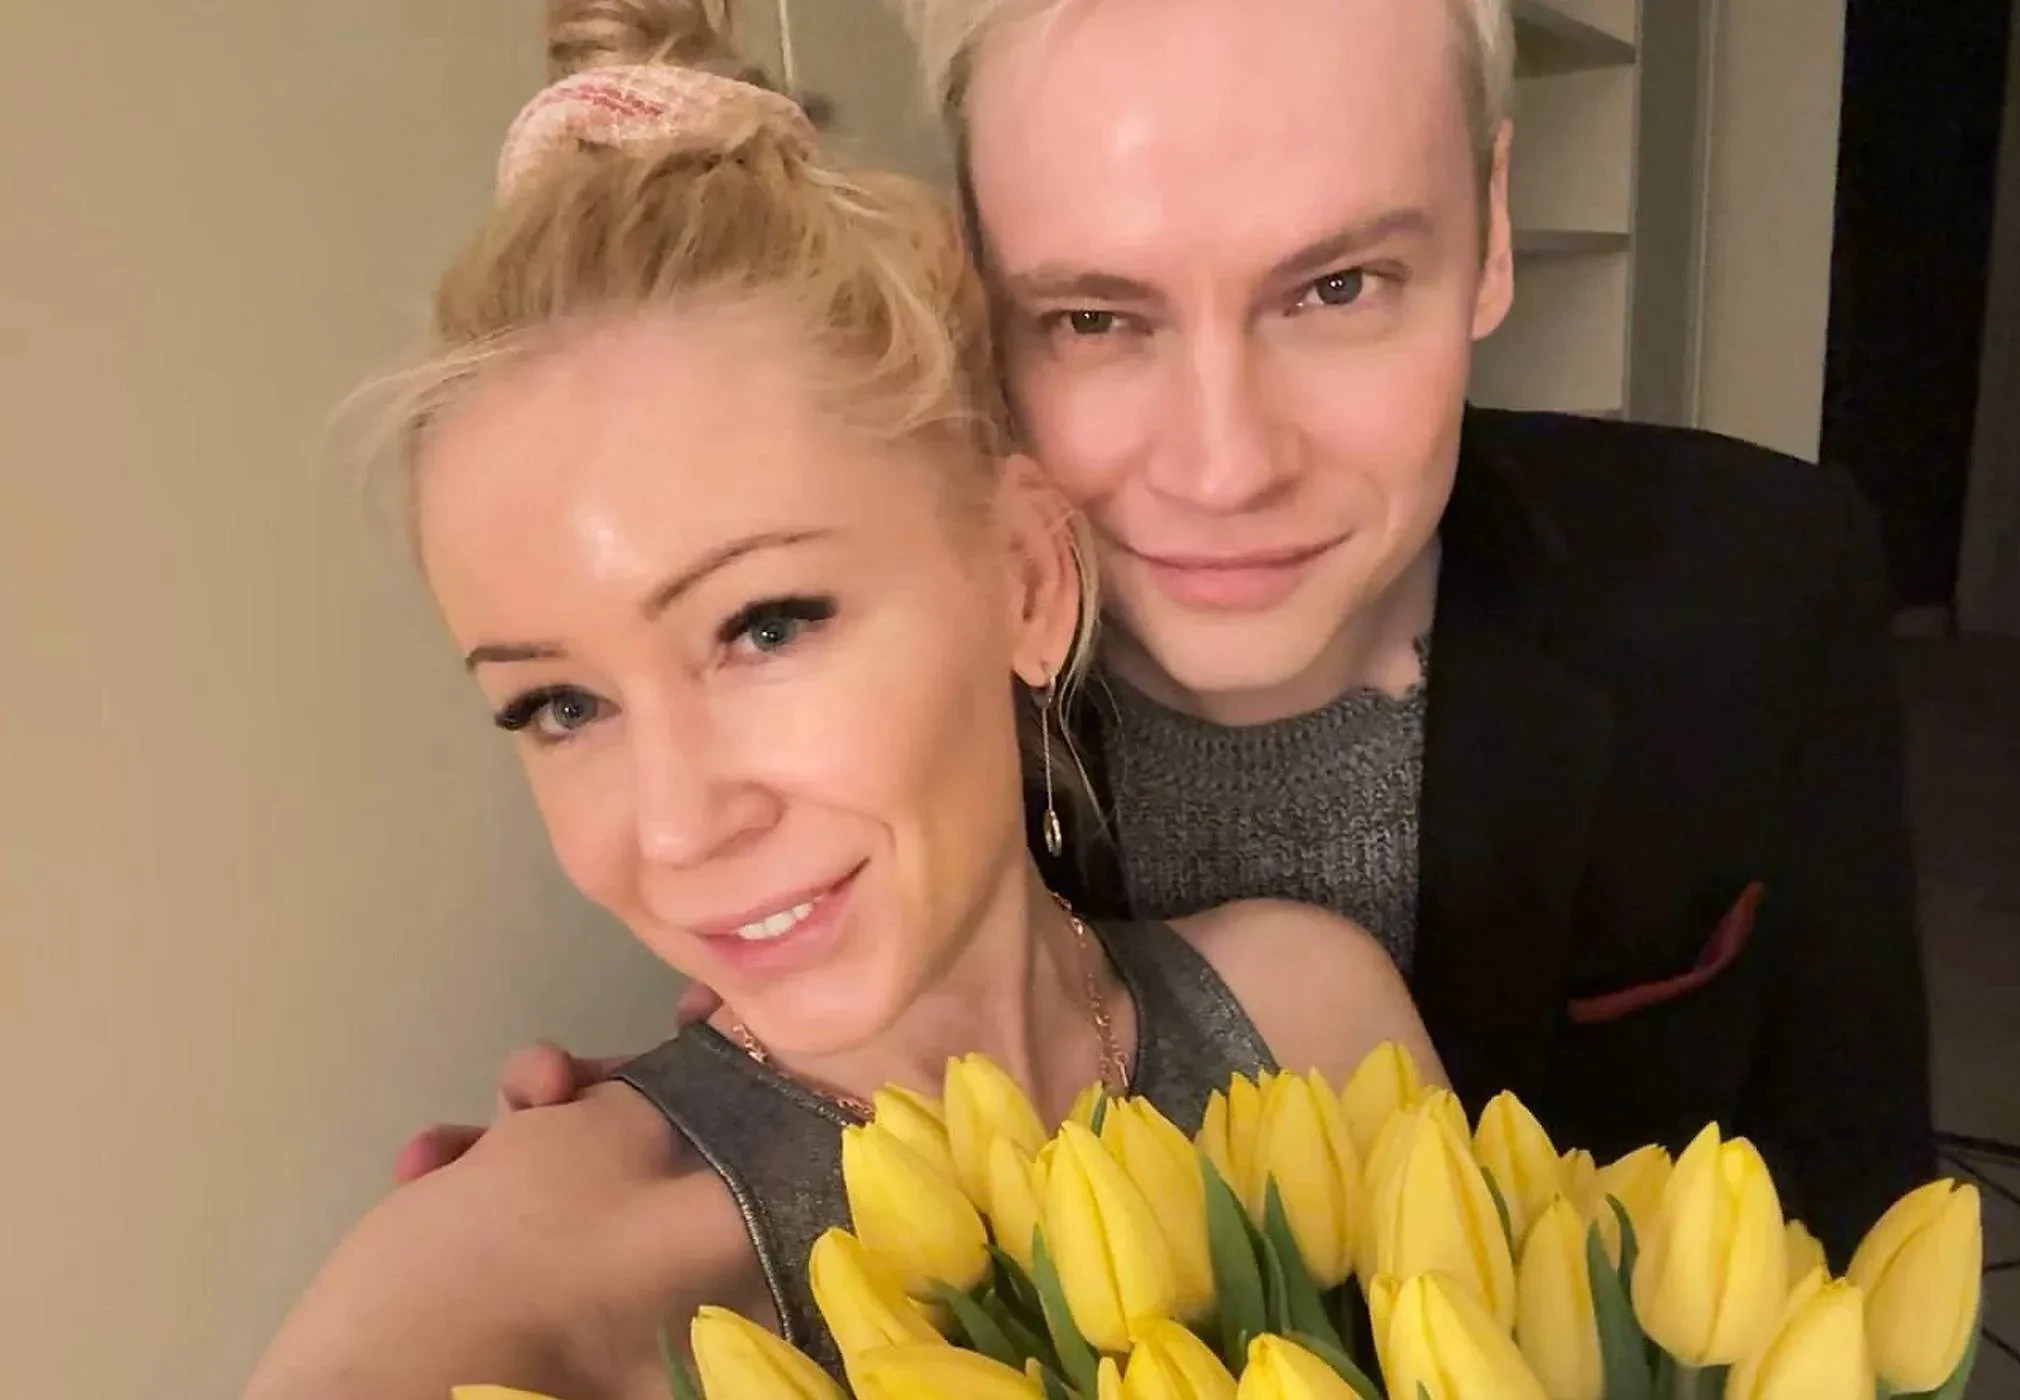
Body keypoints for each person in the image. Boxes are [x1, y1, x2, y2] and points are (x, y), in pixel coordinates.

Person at [411, 0, 1936, 1265]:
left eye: (1336, 287)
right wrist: (704, 1142)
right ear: (973, 294)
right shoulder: (883, 682)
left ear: (1488, 232)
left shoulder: (1756, 581)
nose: (1223, 468)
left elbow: (1854, 1221)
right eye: (1092, 318)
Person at [243, 5, 1439, 1396]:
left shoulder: (1306, 1016)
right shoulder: (528, 1282)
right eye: (559, 707)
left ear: (1027, 576)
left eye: (764, 627)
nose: (677, 825)